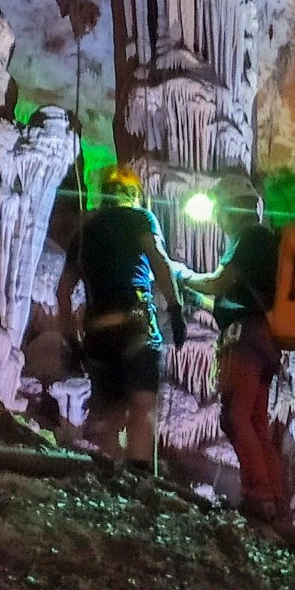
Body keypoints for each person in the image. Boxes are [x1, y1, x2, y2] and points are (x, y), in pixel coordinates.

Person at [58, 165, 186, 472]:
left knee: (110, 411)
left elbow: (63, 292)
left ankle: (108, 479)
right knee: (143, 404)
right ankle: (140, 476)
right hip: (135, 323)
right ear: (134, 194)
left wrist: (72, 342)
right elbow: (159, 262)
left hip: (97, 331)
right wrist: (176, 308)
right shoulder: (140, 218)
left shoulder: (85, 232)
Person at [175, 173, 285, 520]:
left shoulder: (248, 237)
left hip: (245, 341)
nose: (219, 221)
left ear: (232, 208)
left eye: (221, 213)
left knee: (234, 417)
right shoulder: (267, 241)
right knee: (255, 422)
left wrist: (182, 275)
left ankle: (256, 498)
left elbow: (221, 283)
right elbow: (234, 296)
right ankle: (273, 500)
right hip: (266, 340)